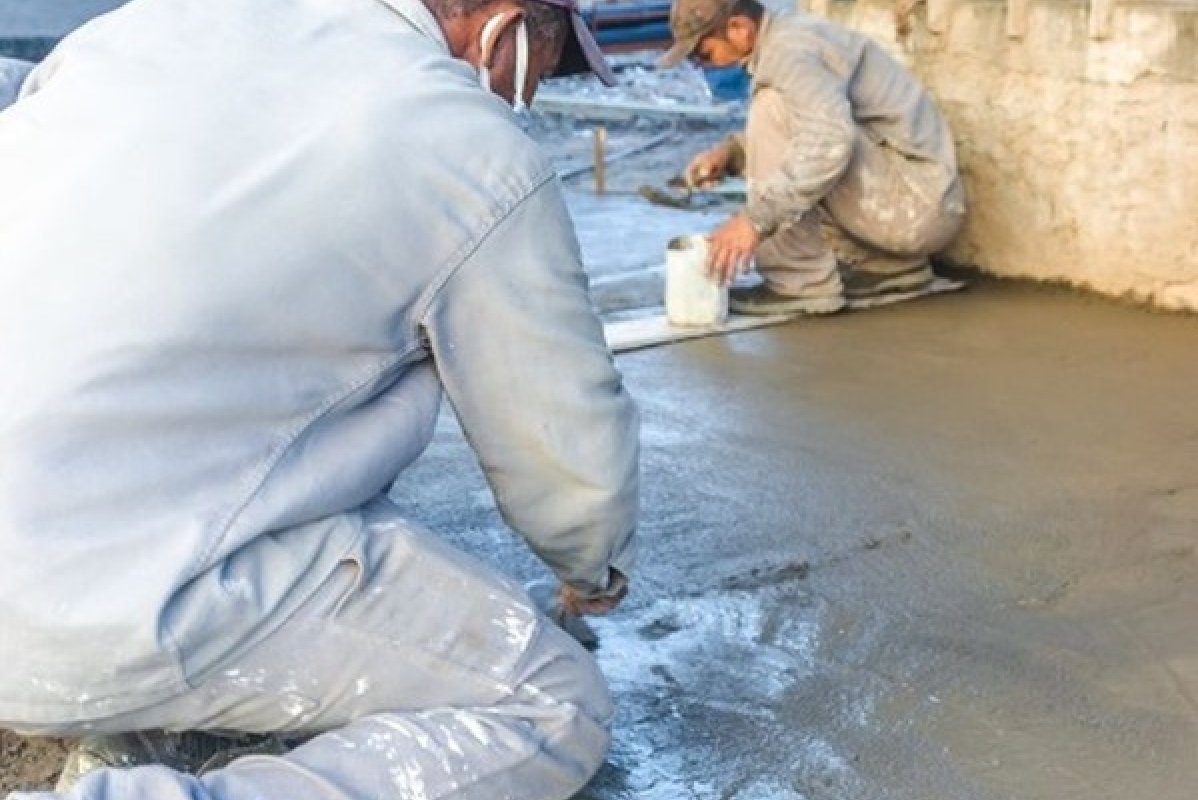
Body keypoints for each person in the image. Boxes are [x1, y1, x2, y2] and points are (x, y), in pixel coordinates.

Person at [0, 0, 638, 799]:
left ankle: (128, 719)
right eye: (544, 68)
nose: (535, 98)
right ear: (504, 33)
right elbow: (568, 453)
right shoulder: (468, 144)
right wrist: (594, 566)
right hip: (67, 603)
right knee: (554, 702)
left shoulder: (155, 23)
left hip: (38, 525)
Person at [660, 0, 966, 315]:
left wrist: (753, 220)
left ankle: (798, 283)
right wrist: (731, 152)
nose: (705, 66)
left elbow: (828, 142)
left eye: (704, 54)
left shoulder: (788, 52)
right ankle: (889, 267)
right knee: (785, 127)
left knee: (771, 108)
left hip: (918, 208)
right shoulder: (788, 37)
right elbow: (810, 127)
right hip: (918, 204)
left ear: (739, 28)